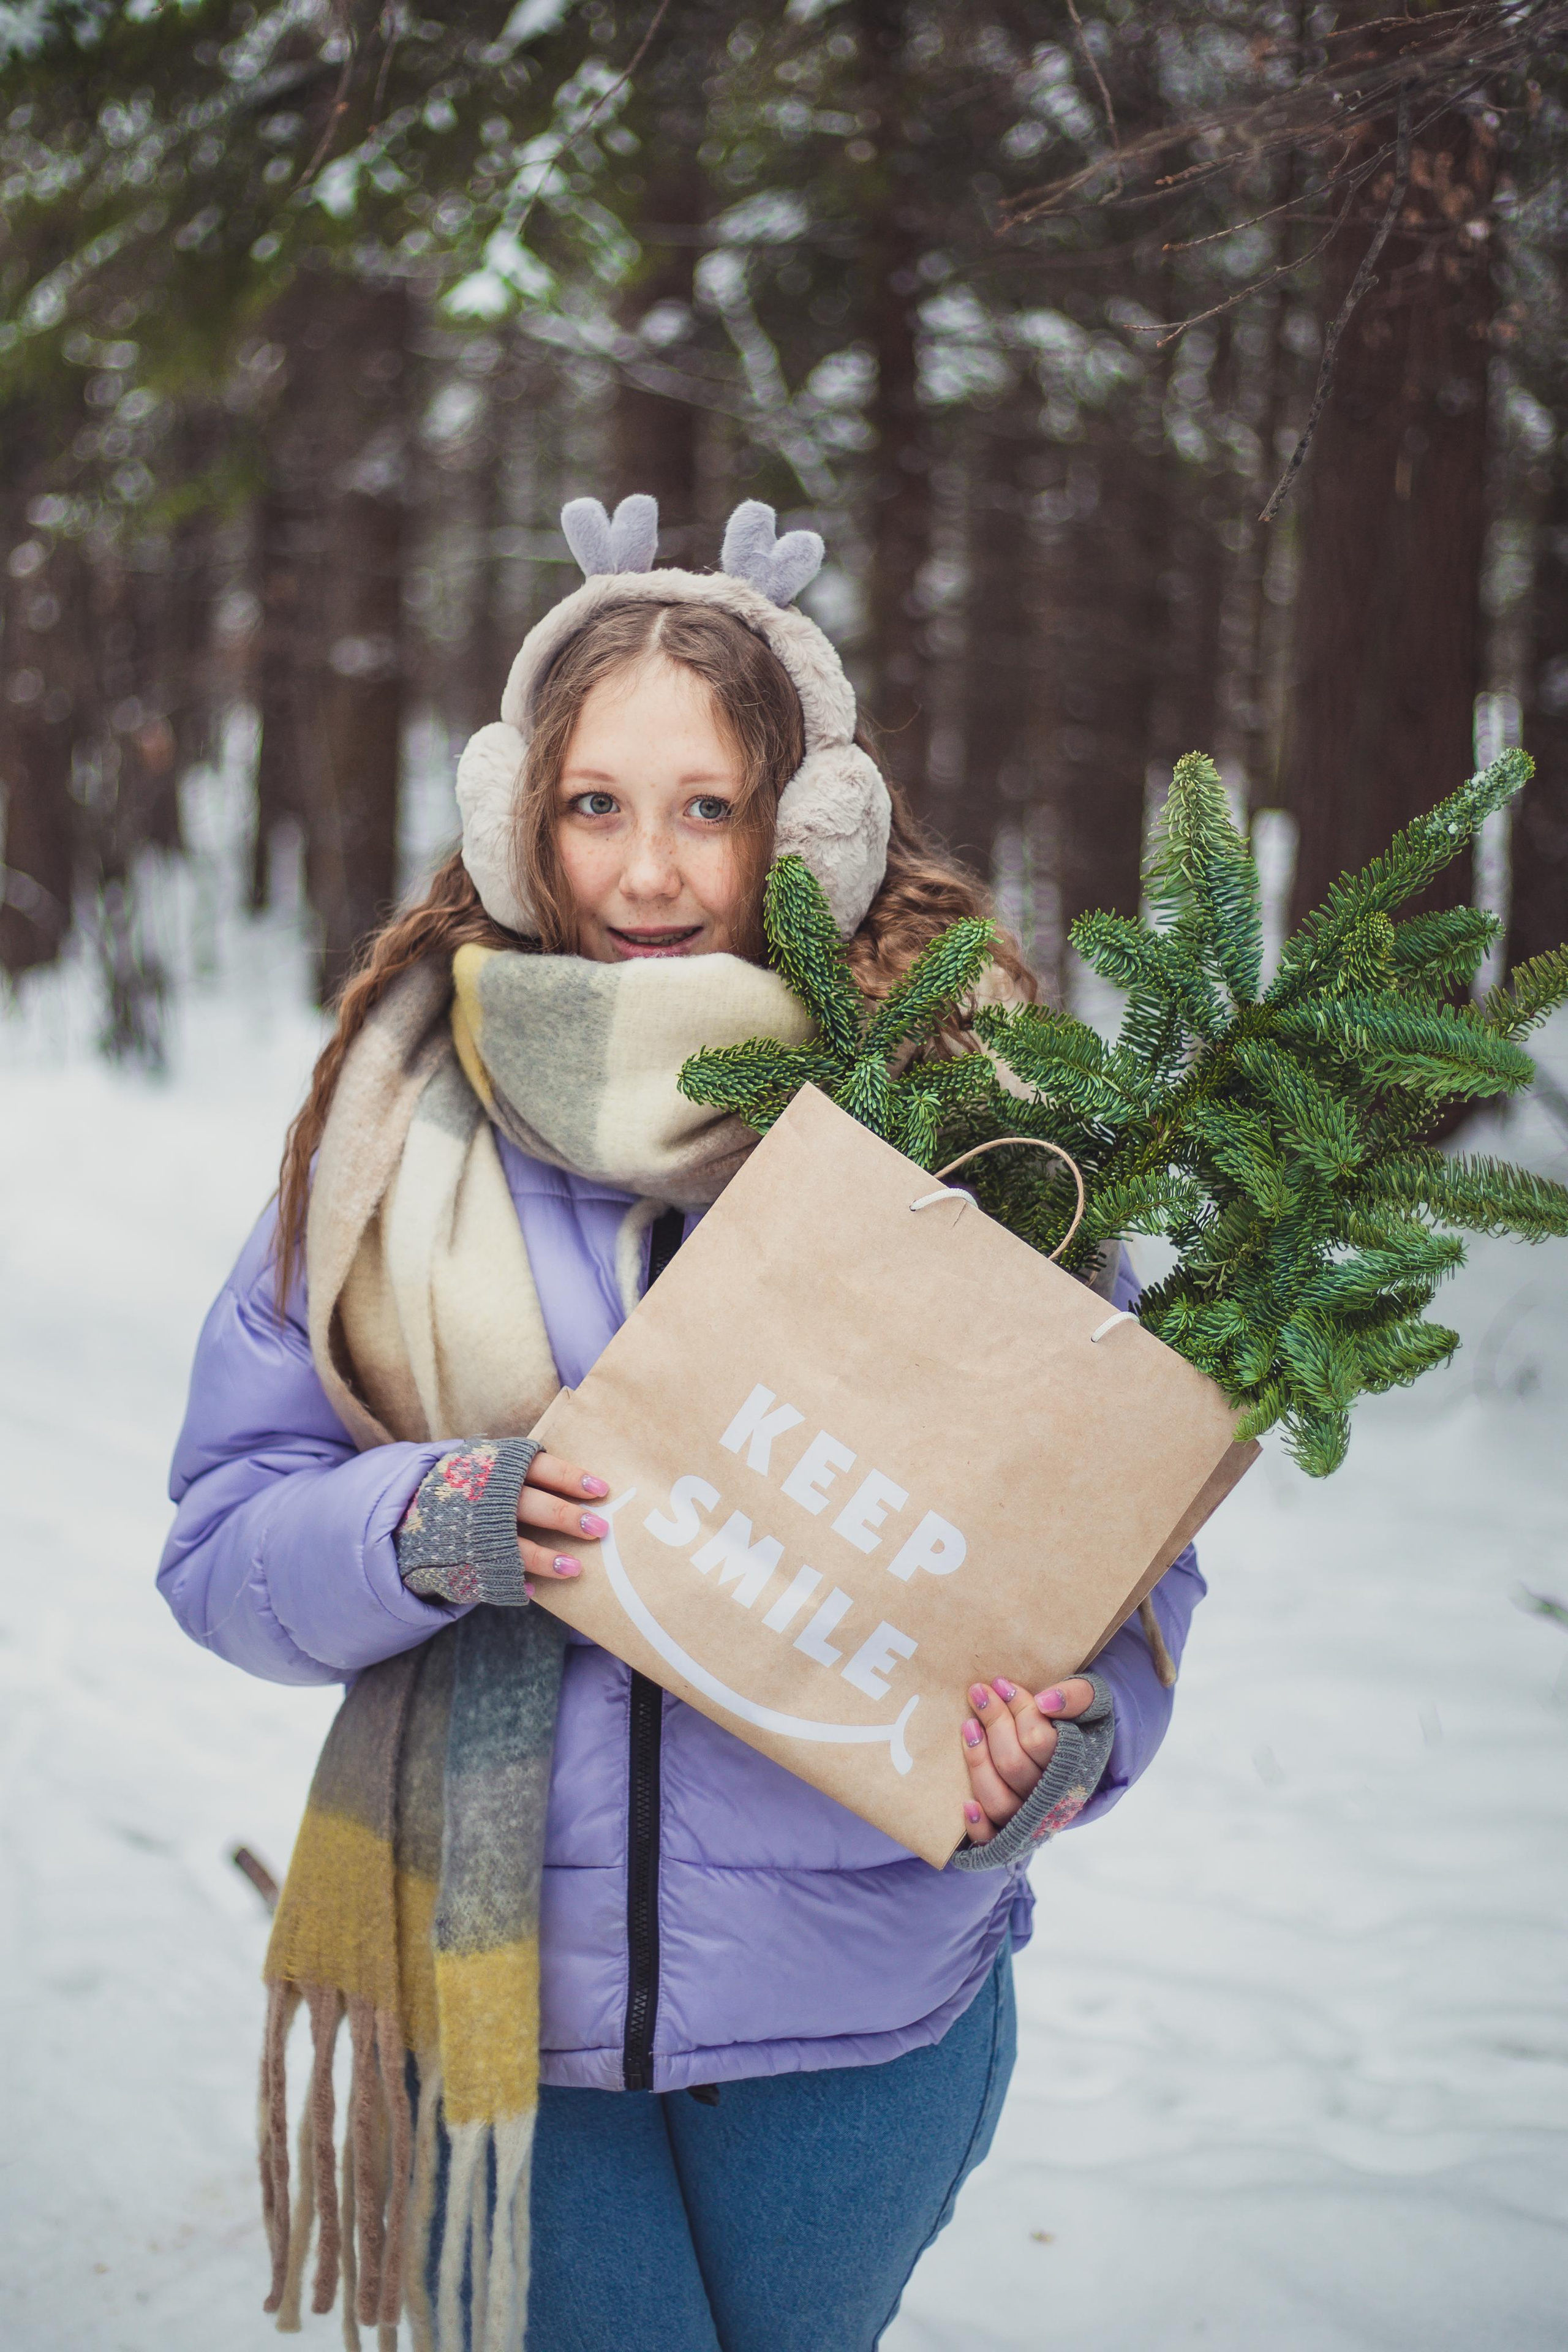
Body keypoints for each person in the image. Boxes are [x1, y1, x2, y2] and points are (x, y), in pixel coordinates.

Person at [159, 496, 1204, 2352]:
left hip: (860, 2020)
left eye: (707, 808)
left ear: (806, 826)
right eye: (597, 805)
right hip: (501, 2018)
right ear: (518, 820)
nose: (648, 872)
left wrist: (1072, 1738)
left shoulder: (954, 1115)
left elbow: (1116, 1552)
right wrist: (428, 1521)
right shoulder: (400, 1124)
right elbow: (226, 1540)